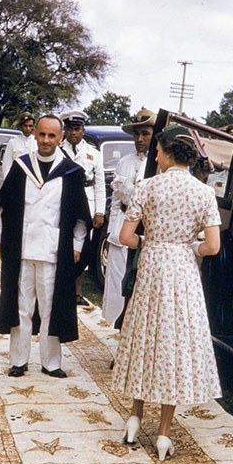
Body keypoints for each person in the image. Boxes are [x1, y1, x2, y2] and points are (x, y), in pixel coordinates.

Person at [112, 125, 222, 462]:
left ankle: (133, 418)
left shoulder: (148, 187)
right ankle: (163, 434)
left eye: (158, 150)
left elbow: (126, 237)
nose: (155, 155)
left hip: (152, 265)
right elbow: (213, 246)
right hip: (183, 270)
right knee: (173, 344)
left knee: (145, 337)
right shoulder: (204, 193)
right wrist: (191, 246)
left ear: (167, 151)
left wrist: (148, 242)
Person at [0, 114, 91, 378]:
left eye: (52, 136)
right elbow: (5, 208)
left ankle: (51, 362)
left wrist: (78, 244)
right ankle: (18, 360)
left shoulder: (71, 172)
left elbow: (81, 215)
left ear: (60, 138)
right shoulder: (21, 166)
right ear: (34, 134)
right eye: (42, 134)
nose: (46, 140)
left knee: (50, 306)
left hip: (53, 250)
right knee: (22, 305)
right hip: (22, 248)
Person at [102, 108, 154, 326]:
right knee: (116, 288)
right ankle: (119, 340)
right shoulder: (124, 162)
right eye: (136, 134)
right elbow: (115, 200)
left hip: (146, 233)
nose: (140, 139)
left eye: (145, 134)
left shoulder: (161, 165)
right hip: (121, 229)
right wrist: (111, 231)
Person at [59, 110, 105, 306]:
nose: (73, 133)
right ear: (65, 130)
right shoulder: (58, 150)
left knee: (83, 247)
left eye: (77, 129)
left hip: (87, 202)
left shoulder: (93, 154)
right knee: (62, 245)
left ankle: (77, 292)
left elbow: (100, 184)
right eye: (69, 129)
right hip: (63, 201)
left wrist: (100, 211)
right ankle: (60, 290)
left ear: (83, 130)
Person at [1, 112, 36, 178]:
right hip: (17, 177)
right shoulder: (13, 142)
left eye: (30, 126)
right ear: (21, 126)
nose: (28, 128)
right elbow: (7, 164)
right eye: (25, 126)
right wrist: (8, 180)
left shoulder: (37, 142)